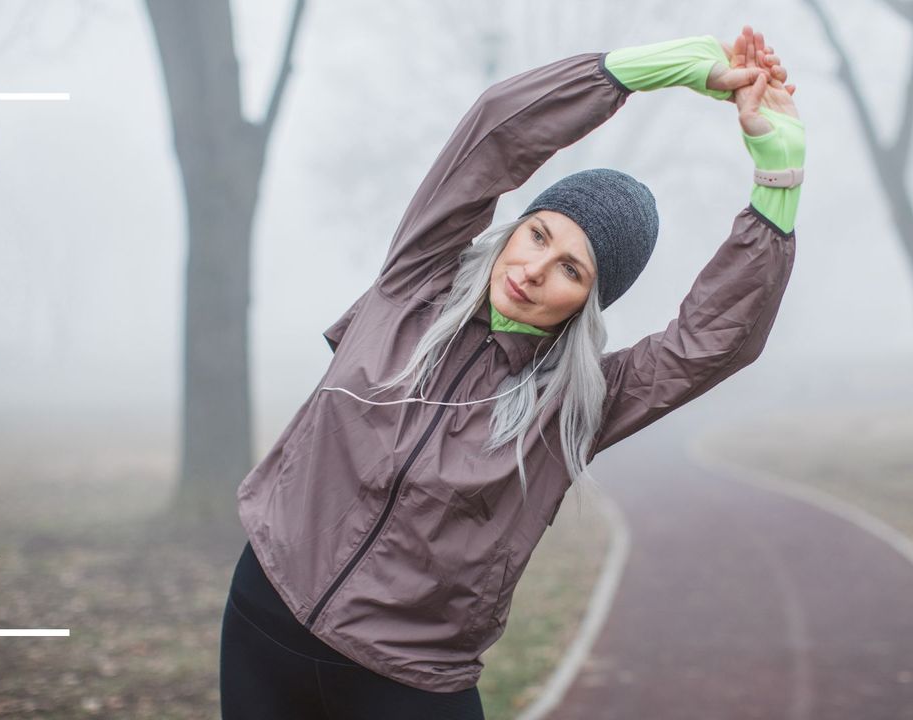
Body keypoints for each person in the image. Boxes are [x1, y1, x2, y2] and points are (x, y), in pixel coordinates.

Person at [220, 24, 803, 720]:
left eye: (571, 269)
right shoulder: (413, 282)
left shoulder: (579, 404)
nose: (532, 270)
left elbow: (713, 341)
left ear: (588, 299)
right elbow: (495, 135)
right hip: (265, 612)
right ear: (515, 228)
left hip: (408, 679)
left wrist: (777, 178)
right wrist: (639, 71)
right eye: (538, 234)